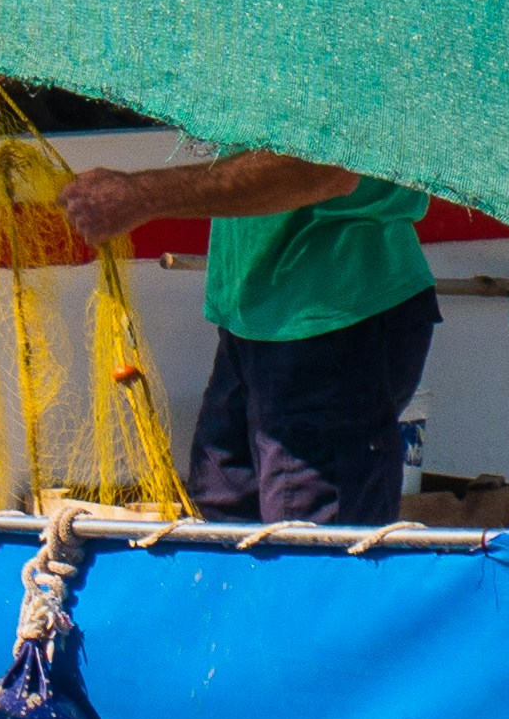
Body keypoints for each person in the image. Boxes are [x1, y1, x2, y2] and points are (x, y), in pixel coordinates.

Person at [58, 137, 434, 526]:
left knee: (309, 542)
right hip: (253, 319)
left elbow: (323, 169)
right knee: (222, 520)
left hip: (335, 313)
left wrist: (141, 196)